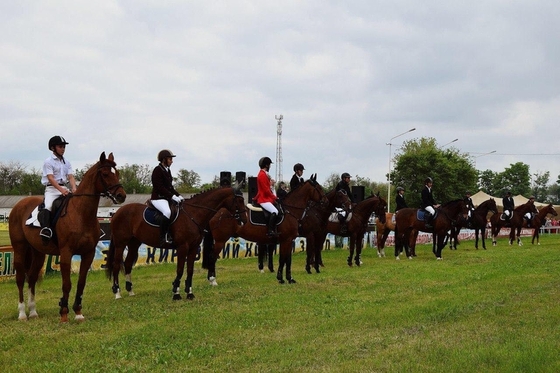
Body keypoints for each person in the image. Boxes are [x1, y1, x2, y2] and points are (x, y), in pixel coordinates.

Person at [39, 135, 78, 242]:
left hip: (64, 188)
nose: (63, 149)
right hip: (52, 189)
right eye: (60, 147)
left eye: (64, 147)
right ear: (53, 148)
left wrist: (74, 188)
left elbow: (70, 177)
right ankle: (45, 230)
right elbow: (50, 178)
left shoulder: (67, 162)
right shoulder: (48, 161)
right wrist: (61, 190)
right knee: (48, 206)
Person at [150, 149, 184, 246]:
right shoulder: (157, 170)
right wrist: (172, 196)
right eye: (170, 159)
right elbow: (159, 187)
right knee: (167, 212)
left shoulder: (167, 170)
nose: (171, 161)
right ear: (164, 159)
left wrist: (178, 195)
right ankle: (162, 237)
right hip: (158, 198)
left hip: (166, 198)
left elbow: (170, 187)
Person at [254, 156, 279, 236]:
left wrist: (255, 198)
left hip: (265, 198)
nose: (270, 167)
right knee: (275, 211)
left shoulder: (263, 174)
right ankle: (270, 230)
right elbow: (266, 190)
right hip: (264, 199)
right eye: (269, 165)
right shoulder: (262, 175)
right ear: (267, 165)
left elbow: (261, 190)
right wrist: (275, 198)